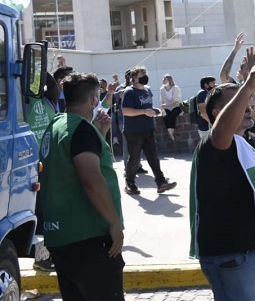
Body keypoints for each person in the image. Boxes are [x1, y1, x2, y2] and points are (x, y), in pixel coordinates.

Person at [189, 48, 255, 301]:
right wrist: (248, 83)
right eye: (239, 101)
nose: (248, 105)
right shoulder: (214, 144)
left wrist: (253, 85)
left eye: (249, 100)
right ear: (218, 115)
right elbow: (223, 128)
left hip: (254, 251)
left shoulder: (248, 142)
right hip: (231, 255)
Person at [40, 72, 125, 301]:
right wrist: (114, 223)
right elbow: (90, 179)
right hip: (89, 238)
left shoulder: (55, 125)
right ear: (93, 100)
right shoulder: (81, 130)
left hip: (62, 237)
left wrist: (99, 132)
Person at [121, 66, 176, 195]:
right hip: (133, 131)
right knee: (134, 159)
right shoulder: (129, 92)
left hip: (148, 129)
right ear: (134, 78)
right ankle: (130, 183)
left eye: (146, 73)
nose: (145, 76)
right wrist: (144, 112)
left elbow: (148, 107)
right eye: (142, 74)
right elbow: (126, 111)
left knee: (153, 157)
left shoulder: (147, 90)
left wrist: (154, 111)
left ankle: (161, 182)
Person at [192, 76, 217, 145]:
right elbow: (203, 111)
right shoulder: (203, 94)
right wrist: (212, 123)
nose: (215, 84)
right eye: (212, 83)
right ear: (206, 85)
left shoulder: (210, 93)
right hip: (205, 127)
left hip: (209, 126)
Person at [159, 74, 183, 142]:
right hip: (167, 106)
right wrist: (165, 106)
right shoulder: (162, 89)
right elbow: (163, 100)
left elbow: (176, 100)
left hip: (176, 106)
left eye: (165, 79)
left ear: (169, 80)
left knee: (173, 116)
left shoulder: (175, 88)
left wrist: (167, 104)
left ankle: (171, 134)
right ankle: (171, 134)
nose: (164, 80)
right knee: (166, 117)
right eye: (163, 79)